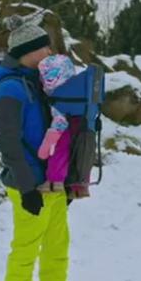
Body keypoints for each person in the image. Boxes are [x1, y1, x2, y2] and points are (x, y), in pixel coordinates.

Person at [0, 15, 91, 281]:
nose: (48, 50)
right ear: (28, 51)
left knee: (57, 248)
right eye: (42, 46)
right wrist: (27, 185)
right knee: (25, 251)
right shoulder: (10, 89)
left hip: (55, 183)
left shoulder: (44, 83)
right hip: (28, 184)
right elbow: (6, 140)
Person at [37, 54, 90, 198]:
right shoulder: (79, 91)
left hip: (66, 128)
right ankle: (80, 186)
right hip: (83, 127)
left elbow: (59, 123)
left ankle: (54, 182)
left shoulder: (60, 96)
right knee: (79, 154)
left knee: (60, 152)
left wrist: (45, 147)